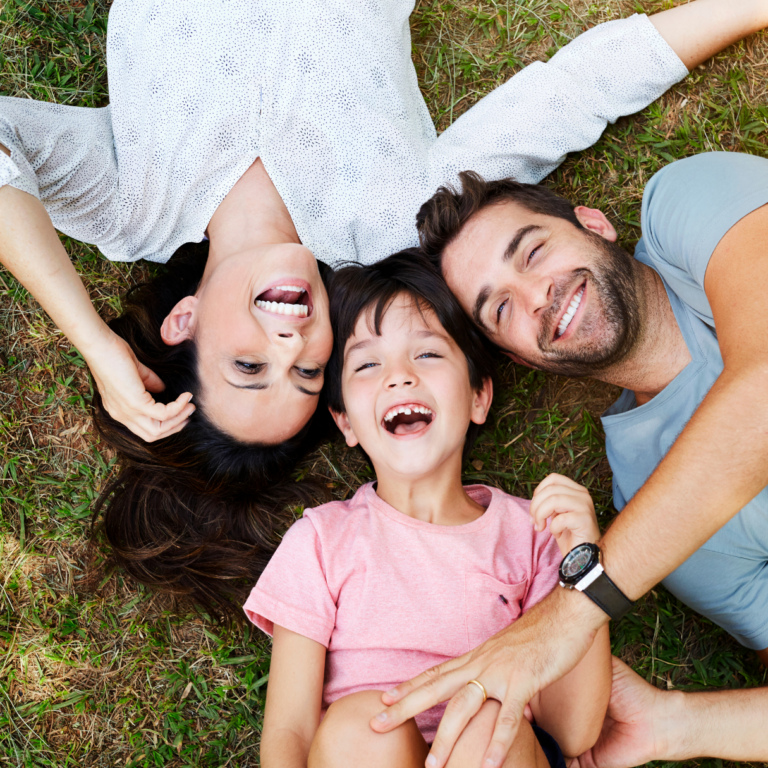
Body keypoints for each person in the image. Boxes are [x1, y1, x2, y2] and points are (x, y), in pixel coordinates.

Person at [0, 0, 762, 615]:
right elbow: (566, 98)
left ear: (185, 321)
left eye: (249, 365)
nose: (293, 338)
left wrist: (94, 342)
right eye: (307, 373)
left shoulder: (127, 203)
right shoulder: (392, 222)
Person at [368, 150, 768, 766]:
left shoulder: (691, 203)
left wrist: (570, 614)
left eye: (533, 252)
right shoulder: (649, 509)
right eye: (499, 309)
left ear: (594, 223)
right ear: (522, 358)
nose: (537, 297)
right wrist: (676, 725)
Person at [244, 252, 611, 767]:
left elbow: (572, 730)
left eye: (428, 355)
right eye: (369, 364)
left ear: (479, 396)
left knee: (483, 724)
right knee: (360, 726)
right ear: (346, 421)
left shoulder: (536, 534)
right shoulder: (321, 541)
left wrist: (585, 563)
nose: (399, 377)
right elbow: (290, 730)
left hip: (495, 754)